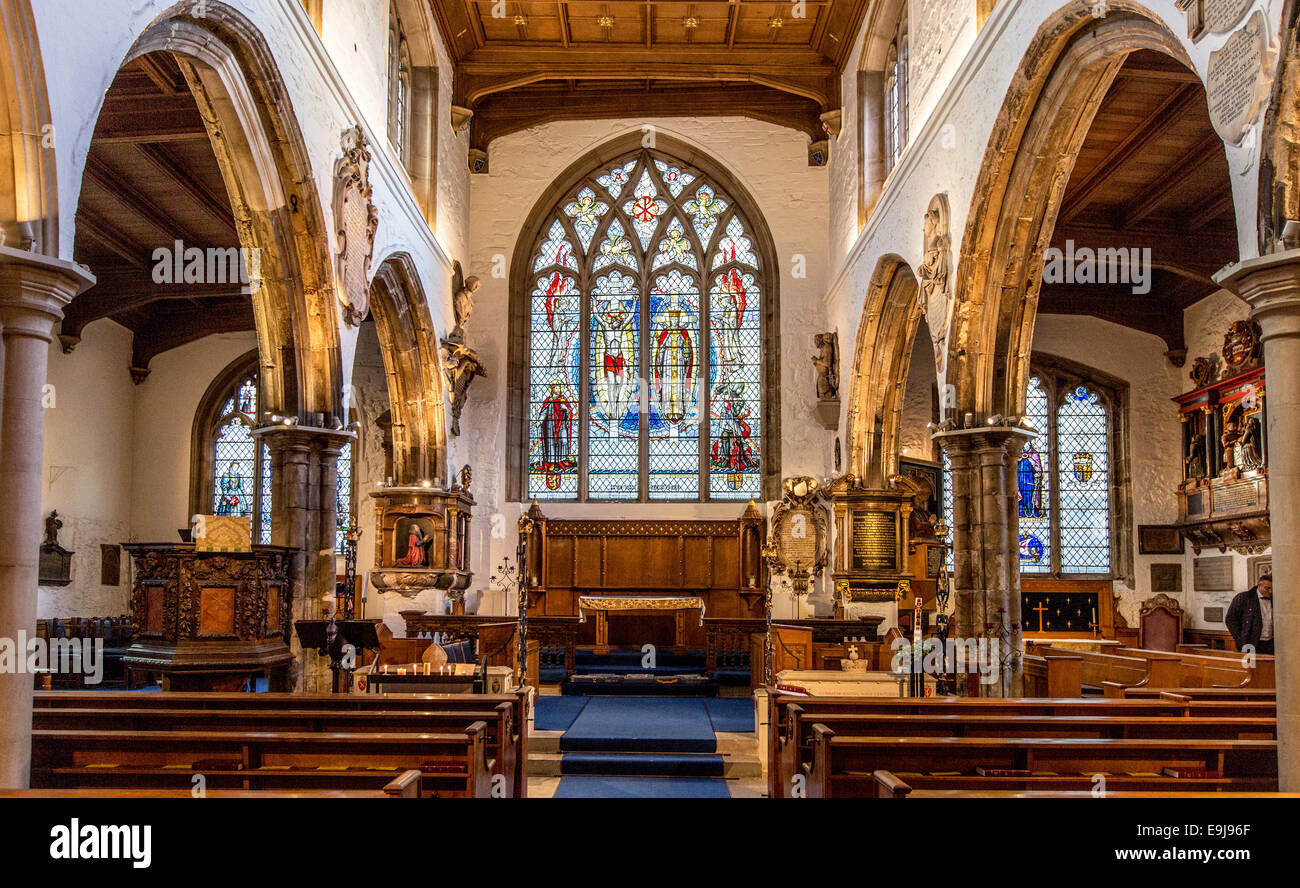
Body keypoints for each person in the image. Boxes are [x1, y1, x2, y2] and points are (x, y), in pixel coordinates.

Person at [1226, 573, 1274, 654]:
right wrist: (1239, 638)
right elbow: (1230, 619)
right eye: (1267, 588)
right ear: (1259, 585)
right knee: (1250, 665)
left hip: (1271, 642)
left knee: (1269, 666)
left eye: (1272, 589)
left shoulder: (1275, 598)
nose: (1270, 591)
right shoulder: (1244, 597)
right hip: (1249, 642)